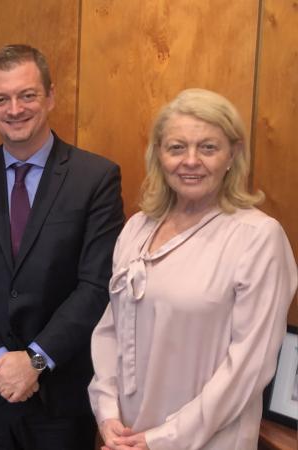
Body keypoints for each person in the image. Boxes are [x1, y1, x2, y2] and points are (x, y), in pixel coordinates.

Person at [89, 88, 298, 450]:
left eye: (208, 148)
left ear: (232, 154)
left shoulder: (258, 238)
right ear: (158, 154)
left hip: (204, 441)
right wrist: (107, 413)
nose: (190, 160)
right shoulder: (137, 227)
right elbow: (111, 329)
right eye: (176, 147)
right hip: (124, 438)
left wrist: (163, 439)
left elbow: (247, 369)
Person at [0, 44, 124, 449]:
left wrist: (35, 360)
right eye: (1, 99)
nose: (15, 109)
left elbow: (96, 284)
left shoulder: (95, 178)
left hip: (60, 393)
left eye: (27, 95)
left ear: (50, 96)